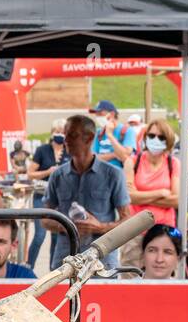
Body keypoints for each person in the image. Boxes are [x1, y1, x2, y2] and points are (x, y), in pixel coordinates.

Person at [43, 115, 132, 269]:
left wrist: (101, 227)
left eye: (72, 135)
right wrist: (66, 226)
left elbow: (127, 221)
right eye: (65, 135)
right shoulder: (57, 175)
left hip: (101, 263)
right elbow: (44, 218)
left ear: (89, 138)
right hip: (64, 261)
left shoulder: (113, 174)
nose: (66, 140)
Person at [121, 119, 180, 269]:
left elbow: (176, 200)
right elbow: (129, 197)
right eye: (152, 135)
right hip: (135, 230)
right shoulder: (133, 161)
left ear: (168, 140)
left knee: (161, 276)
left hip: (164, 230)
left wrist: (141, 197)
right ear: (146, 137)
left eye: (161, 137)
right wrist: (161, 193)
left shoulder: (173, 164)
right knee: (130, 275)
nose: (155, 140)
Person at [26, 119, 69, 269]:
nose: (60, 135)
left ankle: (53, 271)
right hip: (41, 196)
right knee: (39, 235)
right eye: (57, 131)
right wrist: (48, 171)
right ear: (52, 133)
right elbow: (30, 173)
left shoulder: (69, 151)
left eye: (63, 132)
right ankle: (29, 266)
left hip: (61, 199)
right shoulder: (42, 150)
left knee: (56, 236)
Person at [92, 100, 135, 168]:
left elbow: (125, 155)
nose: (97, 117)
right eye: (96, 114)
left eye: (100, 114)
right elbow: (93, 159)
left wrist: (110, 135)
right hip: (99, 174)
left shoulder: (127, 131)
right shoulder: (98, 133)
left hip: (118, 175)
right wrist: (114, 154)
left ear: (112, 114)